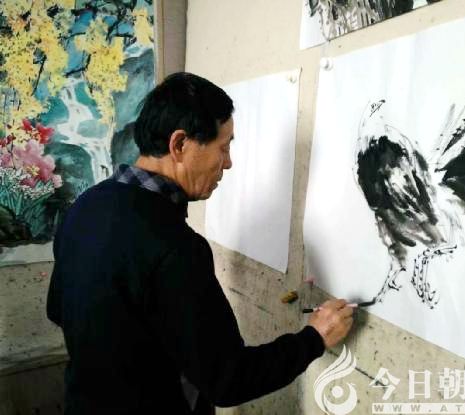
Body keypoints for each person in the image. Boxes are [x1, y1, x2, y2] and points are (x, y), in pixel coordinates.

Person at [46, 72, 353, 415]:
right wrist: (314, 338)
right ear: (179, 145)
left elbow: (57, 309)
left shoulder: (84, 207)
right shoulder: (174, 246)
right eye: (223, 147)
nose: (228, 163)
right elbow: (228, 379)